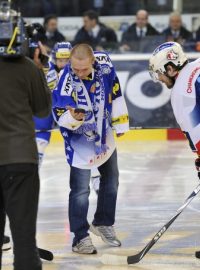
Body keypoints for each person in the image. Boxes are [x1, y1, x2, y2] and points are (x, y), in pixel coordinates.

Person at [52, 44, 129, 254]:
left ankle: (103, 222)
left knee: (111, 180)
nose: (78, 73)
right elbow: (58, 111)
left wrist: (120, 121)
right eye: (75, 68)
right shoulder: (66, 79)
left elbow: (115, 89)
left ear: (93, 62)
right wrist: (72, 118)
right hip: (79, 141)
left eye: (83, 69)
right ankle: (80, 237)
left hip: (104, 134)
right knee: (80, 191)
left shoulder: (104, 65)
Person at [0, 6, 51, 270]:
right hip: (20, 159)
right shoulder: (28, 68)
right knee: (23, 240)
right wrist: (38, 65)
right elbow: (42, 108)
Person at [149, 41, 200, 259]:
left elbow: (196, 133)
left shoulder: (180, 94)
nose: (160, 79)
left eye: (160, 73)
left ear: (171, 68)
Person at [34, 41, 72, 167]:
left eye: (67, 60)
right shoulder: (45, 68)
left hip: (68, 107)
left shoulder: (78, 70)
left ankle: (93, 173)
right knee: (41, 136)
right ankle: (36, 163)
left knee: (80, 138)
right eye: (61, 60)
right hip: (48, 105)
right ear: (55, 59)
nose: (64, 63)